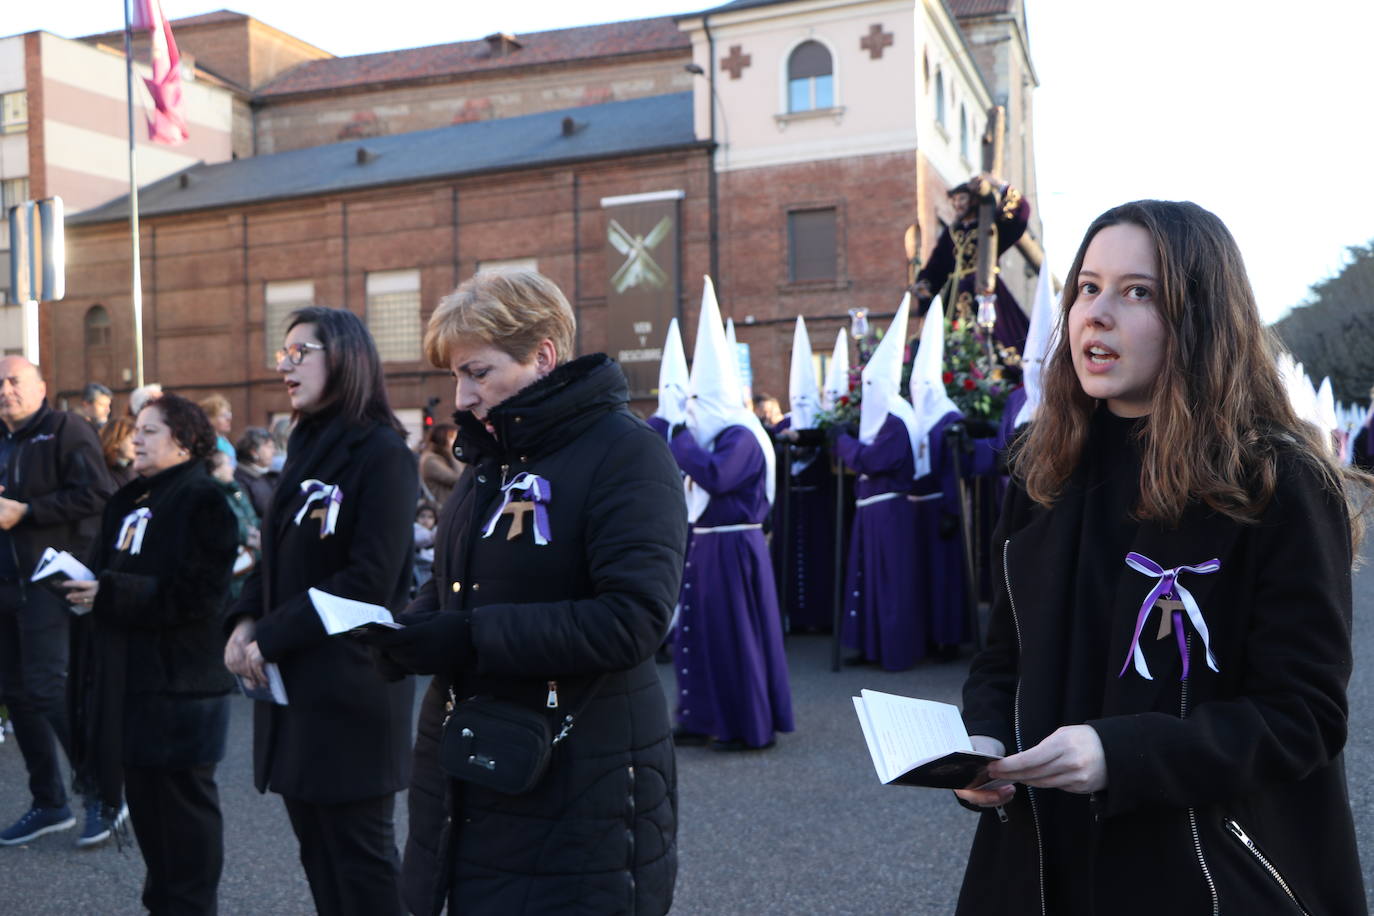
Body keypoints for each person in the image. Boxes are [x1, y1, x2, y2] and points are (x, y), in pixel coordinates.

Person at [954, 201, 1369, 915]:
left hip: (1201, 863)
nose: (1098, 314)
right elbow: (1003, 658)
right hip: (1040, 859)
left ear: (1200, 317)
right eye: (1087, 287)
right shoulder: (1042, 471)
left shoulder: (1277, 482)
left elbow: (1302, 714)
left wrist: (1122, 754)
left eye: (1137, 291)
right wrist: (981, 740)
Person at [359, 269, 687, 915]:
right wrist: (408, 632)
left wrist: (470, 637)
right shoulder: (489, 461)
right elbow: (461, 587)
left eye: (478, 373)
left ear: (542, 355)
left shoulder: (628, 454)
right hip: (472, 766)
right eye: (456, 376)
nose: (464, 396)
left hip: (579, 778)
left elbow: (633, 620)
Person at [223, 307, 418, 916]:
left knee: (361, 862)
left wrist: (272, 635)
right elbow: (275, 555)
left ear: (346, 356)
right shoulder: (305, 442)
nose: (284, 366)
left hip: (352, 690)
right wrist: (244, 620)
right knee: (318, 855)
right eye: (282, 354)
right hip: (296, 691)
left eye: (298, 352)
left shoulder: (383, 454)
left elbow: (370, 580)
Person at [65, 393, 238, 913]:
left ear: (184, 443)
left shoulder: (203, 499)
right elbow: (111, 571)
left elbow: (201, 594)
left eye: (150, 430)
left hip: (183, 687)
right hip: (131, 681)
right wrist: (81, 587)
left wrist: (111, 592)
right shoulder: (129, 499)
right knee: (147, 811)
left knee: (184, 813)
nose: (135, 438)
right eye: (136, 429)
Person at [668, 278, 793, 750]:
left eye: (699, 402)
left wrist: (680, 441)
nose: (692, 412)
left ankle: (745, 723)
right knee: (698, 634)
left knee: (732, 637)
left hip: (733, 546)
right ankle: (701, 716)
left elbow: (718, 478)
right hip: (710, 543)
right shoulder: (721, 435)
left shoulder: (740, 436)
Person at [0, 356, 116, 848]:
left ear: (42, 387)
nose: (5, 390)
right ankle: (49, 803)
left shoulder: (65, 429)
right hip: (5, 587)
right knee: (18, 695)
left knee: (48, 689)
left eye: (14, 381)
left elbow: (97, 494)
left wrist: (27, 511)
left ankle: (105, 795)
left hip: (50, 582)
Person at [834, 296, 925, 670]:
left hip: (889, 512)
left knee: (891, 584)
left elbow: (870, 459)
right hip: (872, 510)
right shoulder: (881, 420)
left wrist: (842, 441)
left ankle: (894, 651)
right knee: (869, 580)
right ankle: (871, 647)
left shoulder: (895, 421)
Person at [914, 172, 1032, 354]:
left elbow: (1018, 213)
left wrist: (997, 184)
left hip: (984, 287)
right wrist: (925, 283)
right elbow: (937, 265)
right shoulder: (951, 232)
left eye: (962, 198)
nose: (957, 204)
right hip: (953, 294)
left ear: (974, 200)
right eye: (954, 200)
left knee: (999, 339)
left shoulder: (989, 225)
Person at [208, 450, 261, 601]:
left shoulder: (235, 489)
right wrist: (248, 536)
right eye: (227, 464)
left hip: (252, 562)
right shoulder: (212, 495)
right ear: (216, 470)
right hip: (236, 569)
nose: (232, 468)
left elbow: (251, 517)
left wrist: (262, 532)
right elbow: (227, 526)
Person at [233, 427, 278, 521]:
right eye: (268, 447)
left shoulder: (271, 475)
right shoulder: (239, 479)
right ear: (254, 451)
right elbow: (246, 513)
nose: (274, 451)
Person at [417, 422, 461, 507]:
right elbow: (458, 479)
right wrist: (452, 453)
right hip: (440, 509)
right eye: (452, 437)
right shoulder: (431, 460)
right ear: (444, 438)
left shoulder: (442, 457)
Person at [99, 415, 138, 489]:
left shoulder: (138, 469)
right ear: (116, 441)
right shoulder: (102, 473)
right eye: (132, 438)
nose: (137, 443)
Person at [198, 395, 236, 466]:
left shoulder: (225, 442)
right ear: (209, 419)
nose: (228, 419)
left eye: (229, 415)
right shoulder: (206, 444)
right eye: (223, 415)